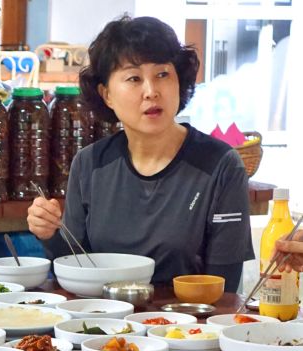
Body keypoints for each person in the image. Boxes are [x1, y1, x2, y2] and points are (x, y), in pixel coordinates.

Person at [26, 16, 253, 292]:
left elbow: (224, 288)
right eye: (134, 78)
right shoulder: (90, 163)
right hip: (104, 323)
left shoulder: (220, 165)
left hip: (187, 327)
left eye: (162, 75)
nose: (151, 91)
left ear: (179, 82)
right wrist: (49, 233)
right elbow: (78, 265)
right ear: (106, 93)